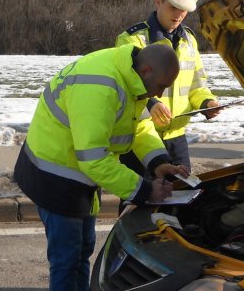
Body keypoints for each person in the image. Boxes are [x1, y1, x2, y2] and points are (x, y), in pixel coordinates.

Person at [13, 43, 189, 291]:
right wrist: (146, 190)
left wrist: (159, 162)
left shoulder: (130, 75)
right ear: (147, 70)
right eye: (161, 86)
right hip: (55, 176)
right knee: (66, 260)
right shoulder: (100, 86)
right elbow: (93, 159)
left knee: (82, 250)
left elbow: (139, 126)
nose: (159, 95)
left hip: (78, 174)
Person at [116, 0, 220, 173]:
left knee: (184, 198)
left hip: (177, 139)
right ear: (158, 1)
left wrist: (207, 103)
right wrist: (151, 104)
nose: (180, 15)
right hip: (141, 137)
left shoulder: (189, 40)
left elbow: (197, 85)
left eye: (185, 10)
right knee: (139, 198)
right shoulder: (132, 39)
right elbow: (125, 87)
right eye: (174, 7)